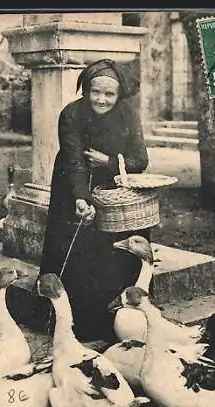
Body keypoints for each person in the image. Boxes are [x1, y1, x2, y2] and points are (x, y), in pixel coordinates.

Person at [37, 59, 150, 344]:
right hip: (72, 187)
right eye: (95, 92)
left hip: (113, 192)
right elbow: (74, 161)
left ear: (119, 95)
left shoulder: (128, 114)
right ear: (86, 90)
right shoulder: (71, 114)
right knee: (78, 255)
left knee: (115, 254)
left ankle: (124, 322)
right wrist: (80, 198)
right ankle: (78, 325)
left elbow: (141, 160)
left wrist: (110, 162)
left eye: (109, 94)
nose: (101, 99)